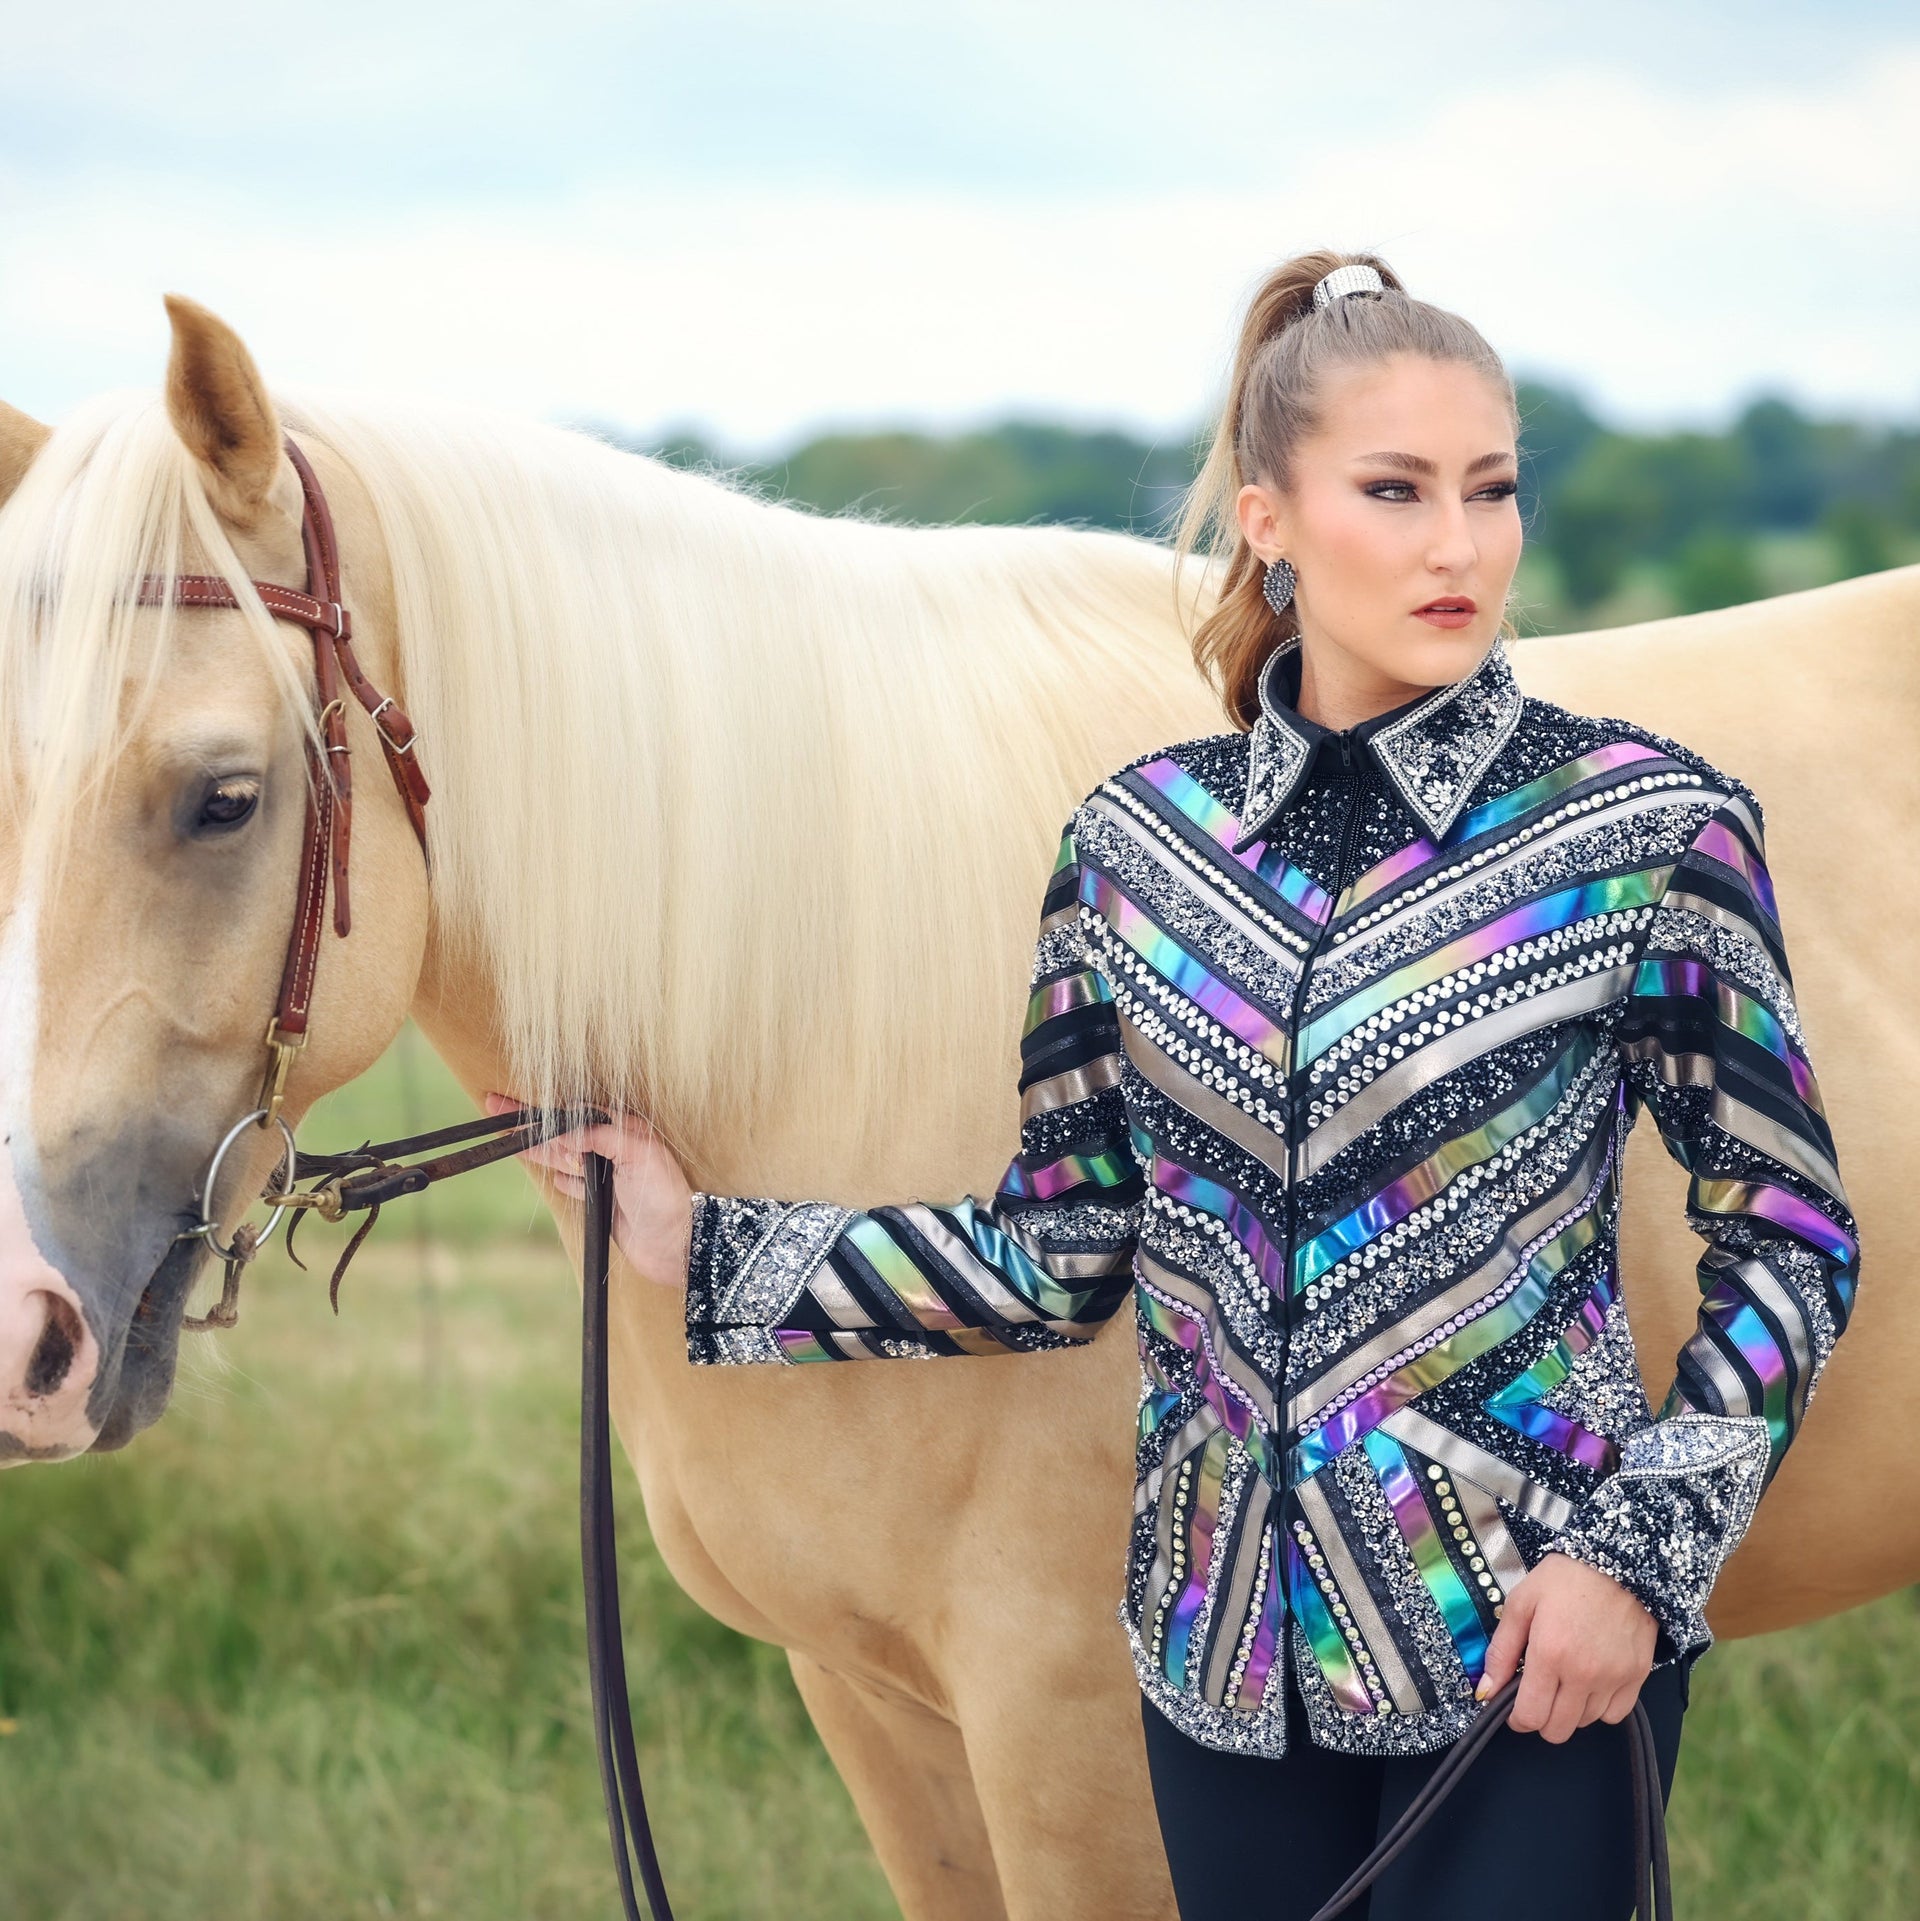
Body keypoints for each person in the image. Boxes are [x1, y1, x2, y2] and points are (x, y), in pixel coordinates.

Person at [486, 251, 1860, 1920]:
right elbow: (1063, 1254)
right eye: (1397, 489)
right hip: (1218, 1669)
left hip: (1531, 1648)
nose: (1460, 544)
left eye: (1491, 490)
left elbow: (1791, 1235)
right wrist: (709, 1247)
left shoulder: (1642, 829)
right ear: (1270, 521)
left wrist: (1636, 1559)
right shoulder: (1133, 850)